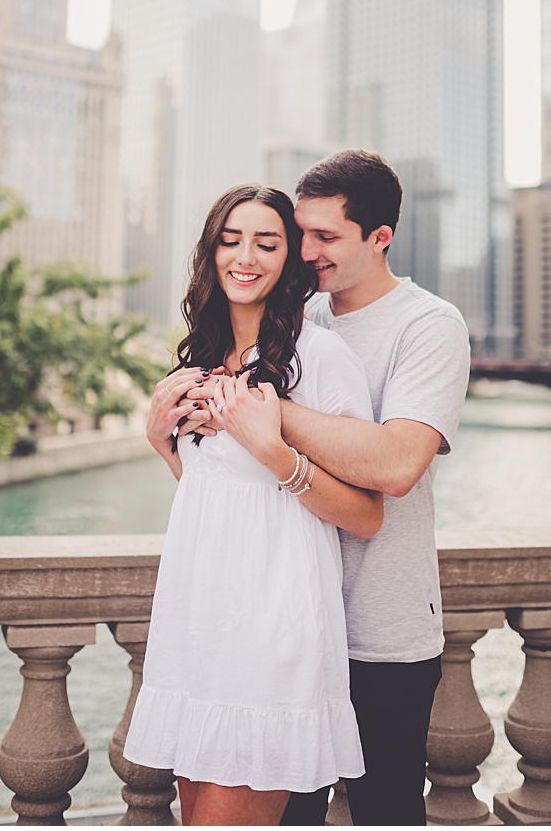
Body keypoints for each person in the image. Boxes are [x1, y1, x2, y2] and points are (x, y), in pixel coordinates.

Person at [123, 185, 384, 826]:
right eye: (230, 240)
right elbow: (224, 501)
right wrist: (163, 443)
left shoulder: (319, 358)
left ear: (289, 259)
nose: (245, 256)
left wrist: (274, 451)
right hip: (199, 621)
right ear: (210, 253)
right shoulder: (207, 358)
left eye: (266, 243)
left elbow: (367, 514)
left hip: (271, 629)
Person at [270, 151, 470, 826]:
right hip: (294, 626)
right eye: (300, 232)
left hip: (384, 631)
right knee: (290, 812)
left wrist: (265, 411)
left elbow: (395, 464)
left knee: (387, 811)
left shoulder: (429, 324)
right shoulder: (291, 317)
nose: (305, 251)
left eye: (325, 236)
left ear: (379, 237)